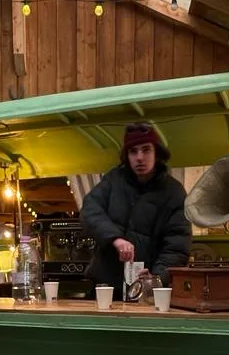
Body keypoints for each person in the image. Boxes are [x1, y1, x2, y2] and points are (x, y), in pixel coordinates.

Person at [81, 122, 191, 293]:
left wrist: (156, 278)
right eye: (133, 151)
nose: (139, 157)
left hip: (145, 291)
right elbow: (89, 209)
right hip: (103, 286)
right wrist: (115, 238)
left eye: (146, 149)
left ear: (157, 153)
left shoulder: (174, 192)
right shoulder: (113, 179)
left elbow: (176, 247)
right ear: (127, 156)